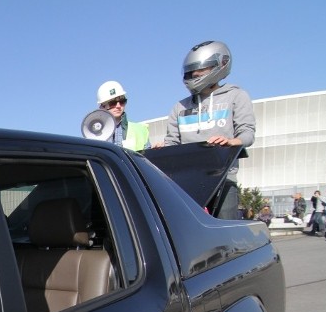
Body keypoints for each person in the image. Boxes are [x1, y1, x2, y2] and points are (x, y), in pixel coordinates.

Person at [155, 41, 256, 220]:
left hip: (223, 178)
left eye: (200, 71)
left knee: (225, 228)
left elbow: (247, 133)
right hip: (187, 182)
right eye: (191, 72)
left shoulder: (235, 96)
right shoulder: (180, 107)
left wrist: (232, 142)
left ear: (217, 66)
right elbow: (173, 142)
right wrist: (163, 148)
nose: (194, 75)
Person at [94, 80, 150, 151]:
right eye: (113, 103)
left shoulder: (141, 130)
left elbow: (146, 159)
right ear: (102, 107)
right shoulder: (93, 135)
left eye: (122, 101)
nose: (118, 106)